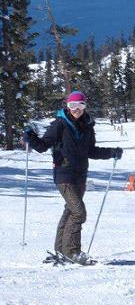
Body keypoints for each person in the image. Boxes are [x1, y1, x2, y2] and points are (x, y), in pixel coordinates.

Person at [24, 91, 123, 264]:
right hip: (64, 175)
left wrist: (111, 152)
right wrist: (31, 138)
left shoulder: (88, 126)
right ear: (67, 107)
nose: (77, 109)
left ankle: (61, 250)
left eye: (81, 105)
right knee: (79, 212)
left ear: (85, 106)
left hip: (80, 176)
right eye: (73, 106)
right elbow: (42, 146)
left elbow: (91, 151)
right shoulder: (59, 124)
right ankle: (72, 252)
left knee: (70, 211)